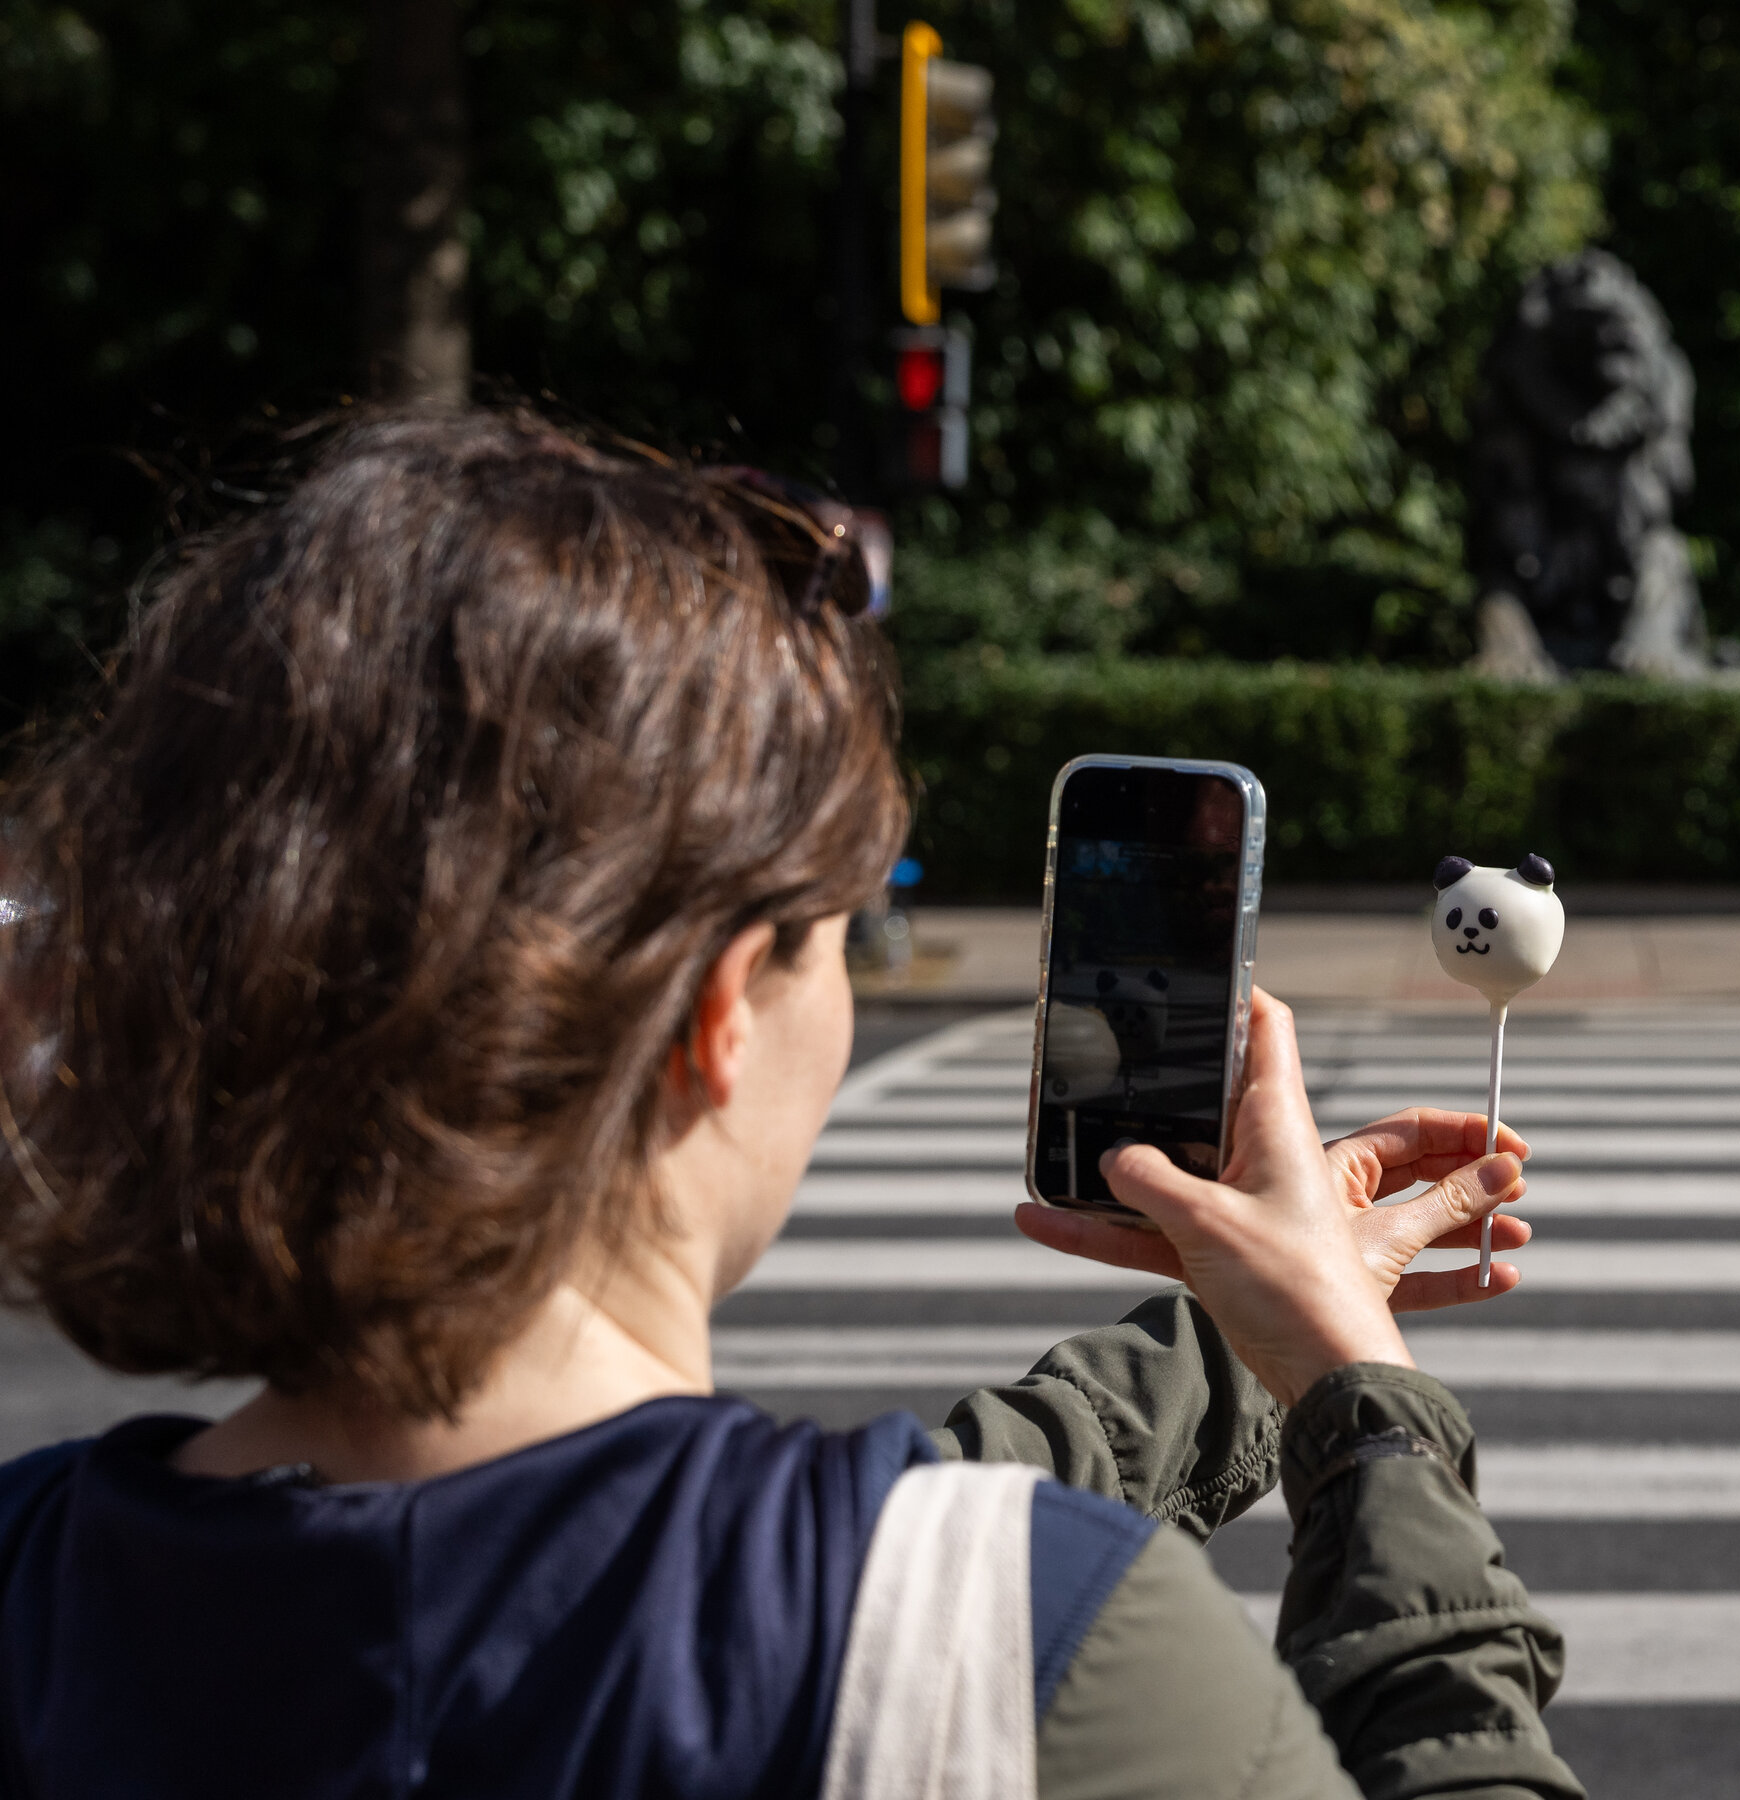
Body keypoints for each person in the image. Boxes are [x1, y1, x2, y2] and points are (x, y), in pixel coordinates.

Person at [0, 411, 1581, 1800]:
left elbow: (820, 1562)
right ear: (715, 1017)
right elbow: (906, 1623)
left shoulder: (34, 1583)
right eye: (833, 930)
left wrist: (1271, 1330)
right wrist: (1367, 1409)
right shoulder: (1075, 1667)